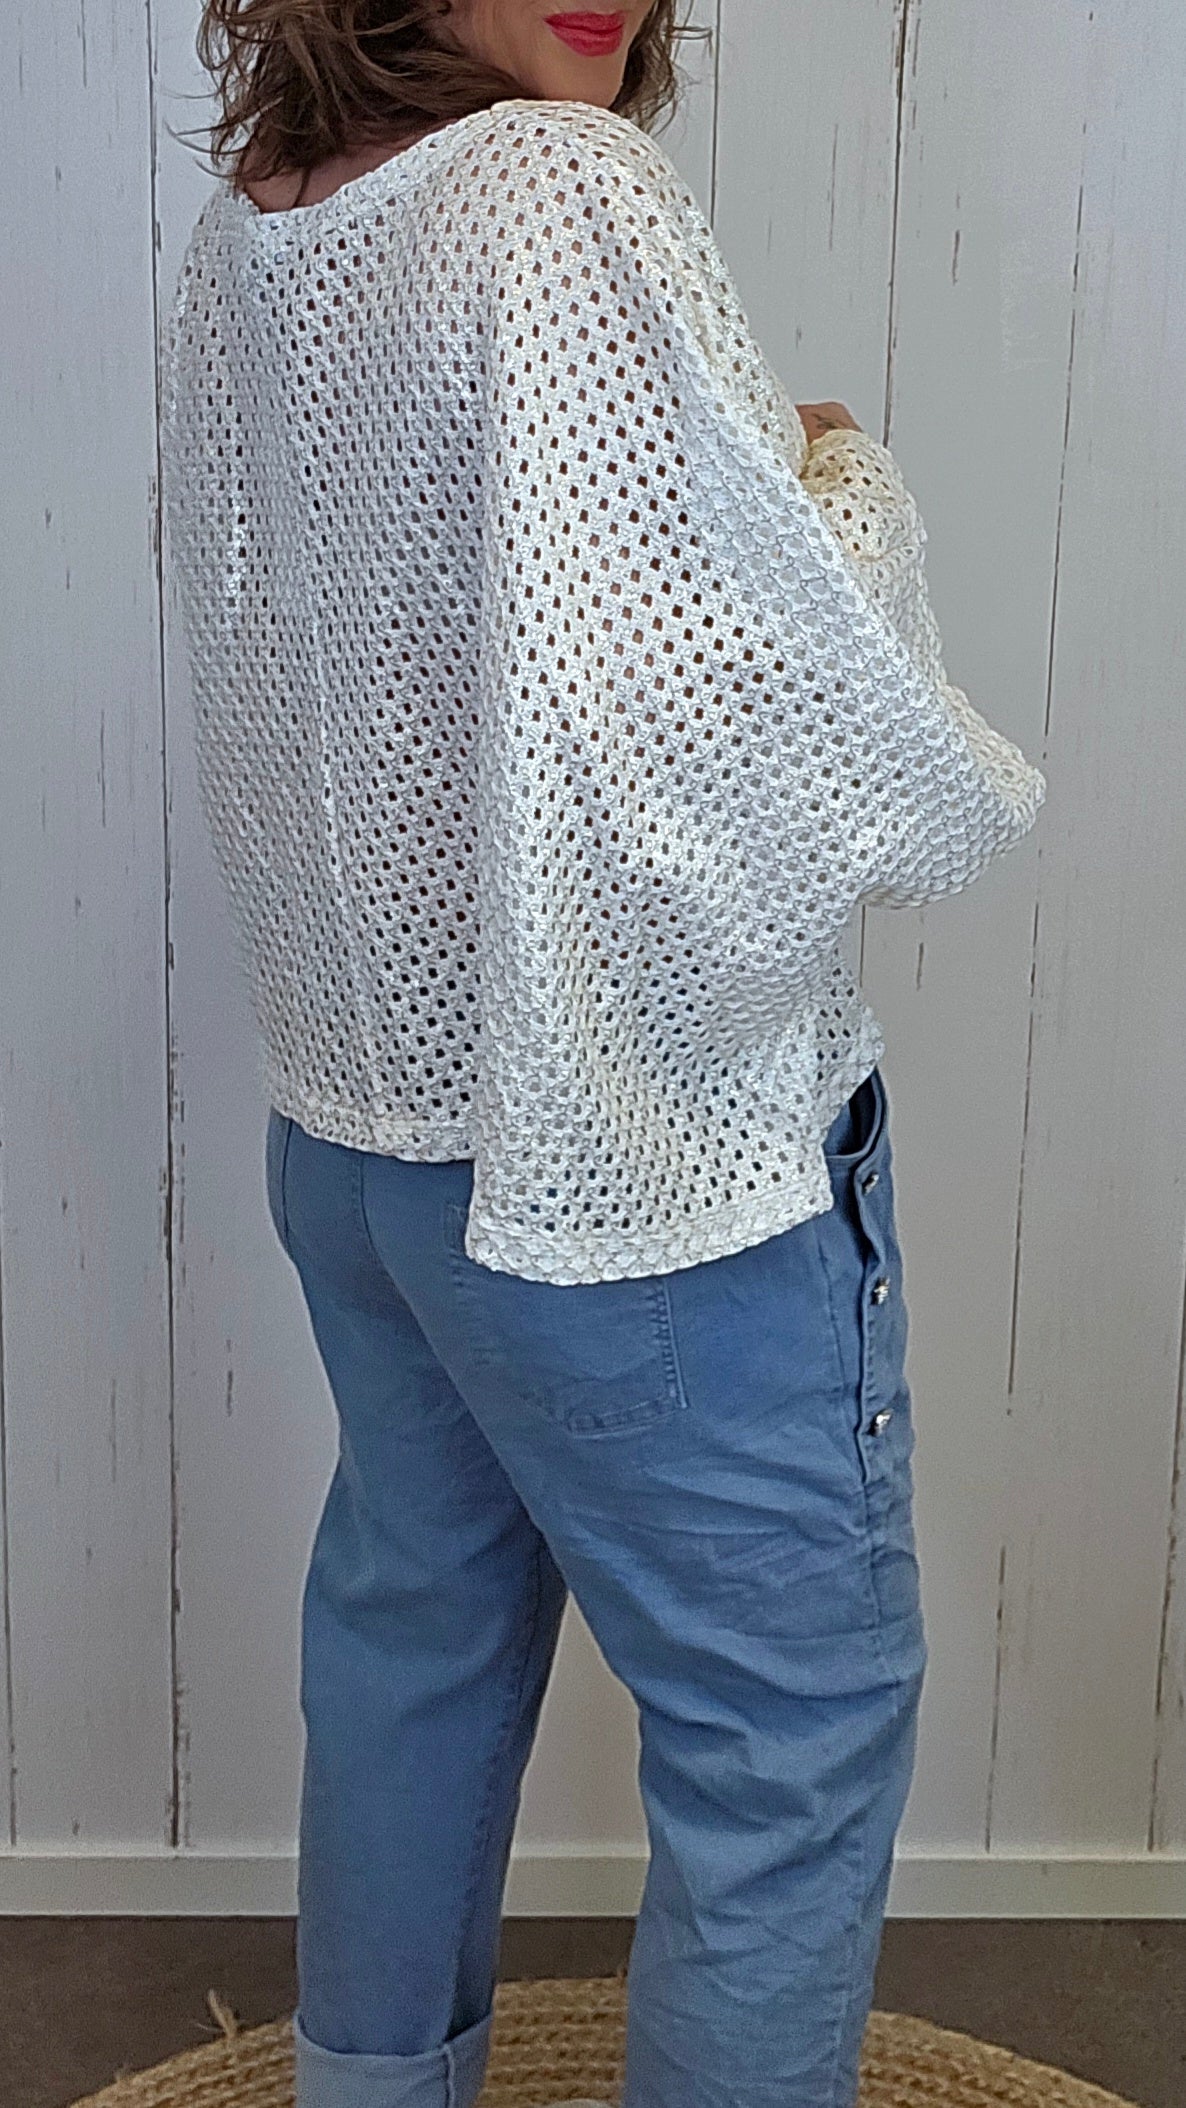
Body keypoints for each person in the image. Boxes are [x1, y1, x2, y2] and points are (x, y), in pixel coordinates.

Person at [159, 5, 1047, 2107]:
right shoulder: (559, 191)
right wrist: (839, 478)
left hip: (363, 1141)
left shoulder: (261, 220)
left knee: (415, 1646)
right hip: (621, 1169)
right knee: (784, 1731)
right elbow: (761, 711)